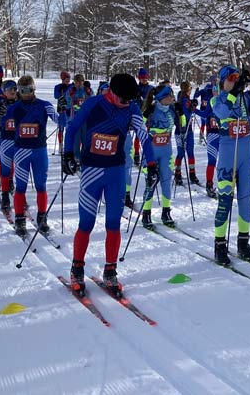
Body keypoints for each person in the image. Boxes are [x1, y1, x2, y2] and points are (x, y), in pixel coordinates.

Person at [62, 73, 157, 297]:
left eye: (129, 100)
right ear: (111, 92)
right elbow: (73, 127)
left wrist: (151, 164)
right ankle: (77, 268)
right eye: (123, 100)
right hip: (92, 171)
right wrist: (67, 154)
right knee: (86, 222)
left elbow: (143, 136)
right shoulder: (94, 103)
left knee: (113, 223)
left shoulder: (131, 108)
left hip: (115, 172)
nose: (126, 104)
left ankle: (110, 270)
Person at [212, 65, 250, 265]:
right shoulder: (217, 98)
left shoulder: (245, 99)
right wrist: (234, 94)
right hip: (228, 152)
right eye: (231, 78)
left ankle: (243, 243)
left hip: (245, 151)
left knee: (245, 201)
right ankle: (219, 245)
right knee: (225, 200)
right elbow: (222, 112)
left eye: (237, 78)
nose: (235, 82)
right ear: (223, 81)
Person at [3, 75, 61, 237]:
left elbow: (60, 121)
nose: (26, 94)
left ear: (34, 89)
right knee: (21, 187)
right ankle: (20, 219)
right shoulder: (14, 108)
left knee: (41, 186)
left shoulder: (44, 105)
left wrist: (64, 112)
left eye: (29, 90)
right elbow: (2, 127)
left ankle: (42, 218)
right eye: (22, 90)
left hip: (39, 152)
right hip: (21, 152)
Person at [140, 84, 177, 229]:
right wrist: (145, 116)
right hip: (152, 152)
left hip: (166, 151)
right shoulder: (152, 110)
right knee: (151, 182)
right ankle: (146, 213)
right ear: (162, 98)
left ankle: (166, 212)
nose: (172, 98)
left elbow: (183, 125)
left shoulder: (172, 110)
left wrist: (181, 114)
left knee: (167, 182)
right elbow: (139, 127)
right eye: (170, 96)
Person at [0, 80, 18, 212]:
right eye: (9, 89)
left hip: (17, 137)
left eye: (14, 88)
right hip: (2, 135)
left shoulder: (20, 101)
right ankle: (0, 186)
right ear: (4, 91)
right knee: (2, 160)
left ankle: (10, 182)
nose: (12, 91)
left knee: (13, 162)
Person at [194, 84, 220, 198]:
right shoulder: (211, 102)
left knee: (225, 163)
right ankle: (209, 185)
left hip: (225, 137)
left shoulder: (227, 102)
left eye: (218, 91)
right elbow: (204, 114)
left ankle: (227, 186)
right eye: (214, 91)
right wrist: (193, 109)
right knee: (212, 161)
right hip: (212, 135)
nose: (216, 93)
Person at [174, 81, 199, 185]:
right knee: (181, 153)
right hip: (181, 130)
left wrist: (193, 104)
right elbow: (185, 115)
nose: (191, 90)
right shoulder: (183, 100)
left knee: (189, 152)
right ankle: (178, 173)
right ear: (187, 89)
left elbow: (191, 109)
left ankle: (192, 174)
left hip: (188, 130)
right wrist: (191, 107)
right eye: (190, 89)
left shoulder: (186, 99)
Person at [133, 68, 153, 164]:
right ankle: (136, 154)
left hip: (149, 115)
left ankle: (148, 154)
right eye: (142, 78)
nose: (144, 79)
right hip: (139, 114)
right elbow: (132, 102)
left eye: (146, 78)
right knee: (138, 135)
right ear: (139, 78)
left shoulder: (151, 88)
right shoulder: (136, 88)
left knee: (149, 135)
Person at [194, 75, 218, 144]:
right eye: (213, 80)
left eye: (215, 80)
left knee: (209, 124)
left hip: (211, 110)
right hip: (204, 109)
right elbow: (195, 96)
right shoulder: (204, 90)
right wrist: (197, 92)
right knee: (204, 123)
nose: (214, 82)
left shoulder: (217, 89)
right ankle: (202, 138)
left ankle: (208, 137)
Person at [53, 71, 72, 150]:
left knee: (69, 128)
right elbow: (56, 96)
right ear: (62, 79)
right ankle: (60, 145)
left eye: (69, 79)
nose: (68, 81)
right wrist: (61, 92)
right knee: (61, 127)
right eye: (66, 79)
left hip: (70, 109)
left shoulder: (72, 86)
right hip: (61, 108)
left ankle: (69, 146)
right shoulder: (58, 87)